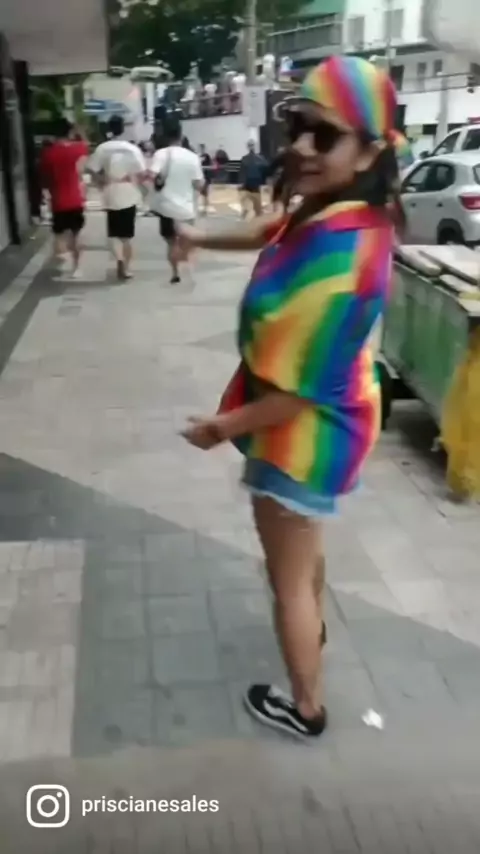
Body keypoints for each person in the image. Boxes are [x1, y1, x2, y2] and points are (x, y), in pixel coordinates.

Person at [178, 55, 408, 740]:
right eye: (297, 127)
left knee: (287, 578)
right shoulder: (336, 210)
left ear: (370, 149)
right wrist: (200, 235)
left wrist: (221, 427)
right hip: (327, 424)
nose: (302, 147)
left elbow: (307, 392)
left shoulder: (344, 261)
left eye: (324, 135)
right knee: (304, 553)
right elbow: (268, 229)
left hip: (303, 437)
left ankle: (305, 706)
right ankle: (314, 626)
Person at [88, 115, 147, 280]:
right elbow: (142, 173)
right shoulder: (132, 149)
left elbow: (91, 169)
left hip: (110, 191)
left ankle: (119, 259)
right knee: (127, 236)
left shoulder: (103, 148)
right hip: (128, 191)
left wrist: (101, 181)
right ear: (123, 128)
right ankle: (126, 268)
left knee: (113, 233)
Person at [150, 125, 204, 284]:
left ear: (166, 137)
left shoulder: (160, 154)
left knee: (171, 242)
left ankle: (175, 272)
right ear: (181, 136)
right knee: (187, 240)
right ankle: (188, 267)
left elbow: (151, 175)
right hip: (186, 208)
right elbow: (199, 184)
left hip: (165, 207)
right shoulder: (192, 157)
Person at [40, 118, 89, 278]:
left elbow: (45, 178)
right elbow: (82, 165)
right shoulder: (79, 149)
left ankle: (63, 256)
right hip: (76, 198)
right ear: (70, 132)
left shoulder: (48, 153)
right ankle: (77, 267)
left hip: (58, 200)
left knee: (59, 235)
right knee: (76, 235)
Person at [238, 140, 267, 219]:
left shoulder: (246, 159)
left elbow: (242, 172)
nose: (251, 147)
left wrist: (241, 183)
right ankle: (252, 216)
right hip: (252, 184)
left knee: (250, 205)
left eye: (251, 145)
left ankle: (246, 215)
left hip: (250, 184)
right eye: (251, 145)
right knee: (254, 206)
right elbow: (265, 170)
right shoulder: (260, 159)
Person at [199, 144, 213, 216]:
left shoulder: (207, 156)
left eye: (202, 148)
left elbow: (210, 166)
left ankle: (205, 209)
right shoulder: (199, 157)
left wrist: (203, 167)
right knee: (202, 194)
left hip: (206, 177)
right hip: (201, 177)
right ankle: (204, 208)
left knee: (205, 194)